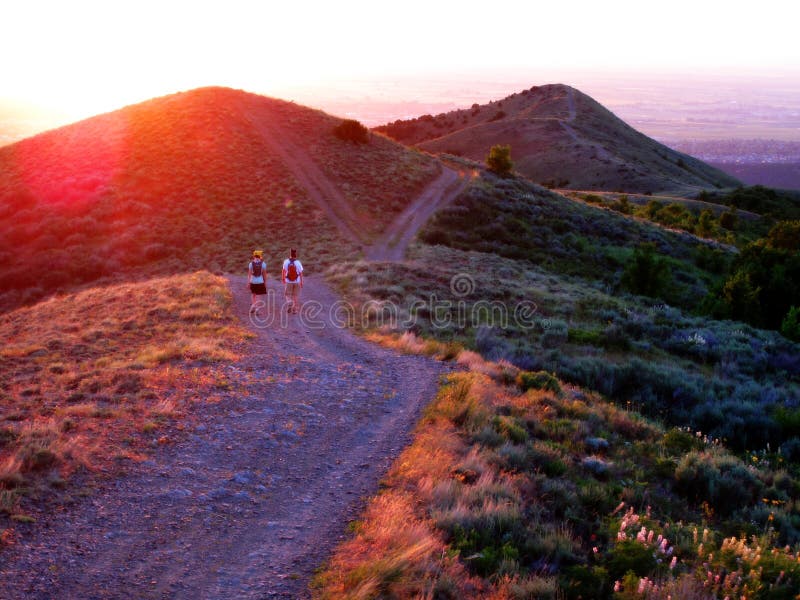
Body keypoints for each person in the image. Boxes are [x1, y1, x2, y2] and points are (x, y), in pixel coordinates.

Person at [282, 248, 304, 314]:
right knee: (295, 295)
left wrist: (283, 278)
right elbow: (300, 273)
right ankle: (294, 310)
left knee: (287, 294)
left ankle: (289, 301)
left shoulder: (286, 262)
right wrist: (301, 281)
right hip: (297, 281)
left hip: (288, 281)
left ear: (290, 254)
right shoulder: (298, 262)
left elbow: (283, 271)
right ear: (295, 255)